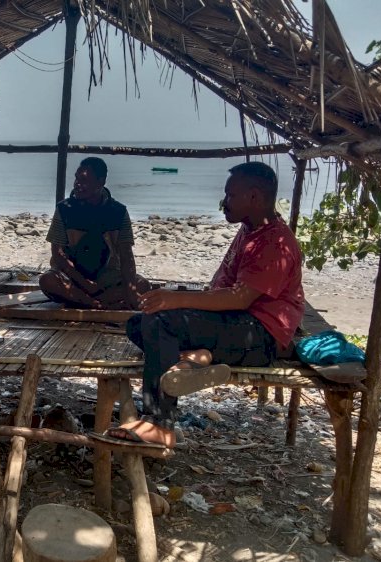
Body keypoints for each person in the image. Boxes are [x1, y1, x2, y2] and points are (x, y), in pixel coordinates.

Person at [91, 162, 304, 448]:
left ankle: (159, 423)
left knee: (160, 322)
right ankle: (196, 358)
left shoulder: (276, 242)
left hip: (261, 336)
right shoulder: (249, 231)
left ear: (254, 197)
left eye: (230, 195)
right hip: (236, 324)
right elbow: (225, 291)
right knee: (138, 322)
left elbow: (239, 298)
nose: (223, 202)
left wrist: (175, 299)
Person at [39, 157, 150, 310]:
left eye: (84, 180)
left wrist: (130, 291)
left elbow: (126, 255)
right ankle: (96, 302)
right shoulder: (64, 209)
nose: (77, 184)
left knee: (142, 285)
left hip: (107, 277)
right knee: (47, 280)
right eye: (76, 179)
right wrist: (85, 283)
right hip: (73, 277)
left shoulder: (118, 211)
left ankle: (85, 300)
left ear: (101, 182)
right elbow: (58, 255)